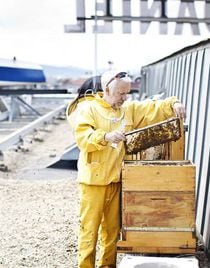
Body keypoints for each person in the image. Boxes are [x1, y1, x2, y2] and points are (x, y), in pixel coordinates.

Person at [66, 70, 186, 268]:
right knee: (89, 229)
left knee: (112, 231)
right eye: (121, 93)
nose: (124, 98)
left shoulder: (127, 110)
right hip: (93, 183)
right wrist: (105, 137)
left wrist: (173, 103)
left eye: (127, 93)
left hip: (116, 180)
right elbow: (83, 138)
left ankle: (108, 266)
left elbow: (151, 108)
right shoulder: (88, 109)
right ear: (106, 89)